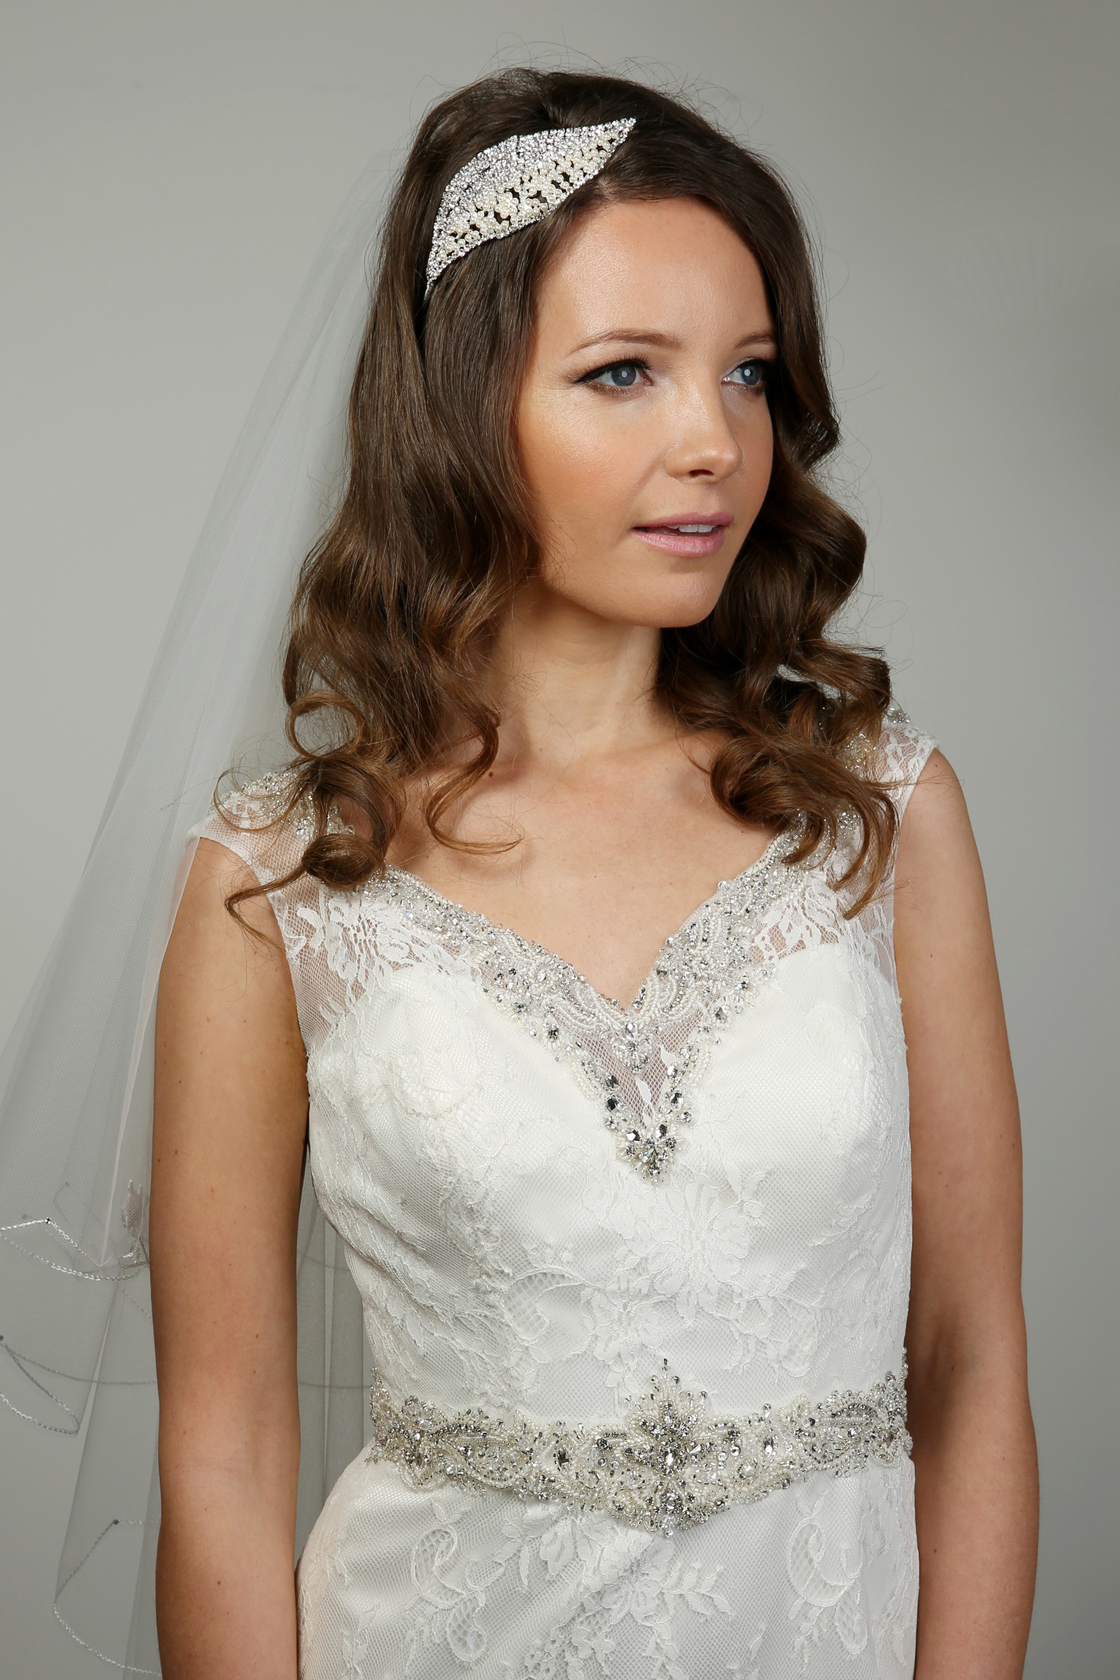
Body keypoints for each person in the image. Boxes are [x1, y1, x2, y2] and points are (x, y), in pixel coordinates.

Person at [3, 67, 1038, 1680]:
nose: (714, 442)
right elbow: (224, 1456)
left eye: (749, 374)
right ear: (463, 410)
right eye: (624, 372)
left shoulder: (880, 813)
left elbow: (971, 1367)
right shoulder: (279, 881)